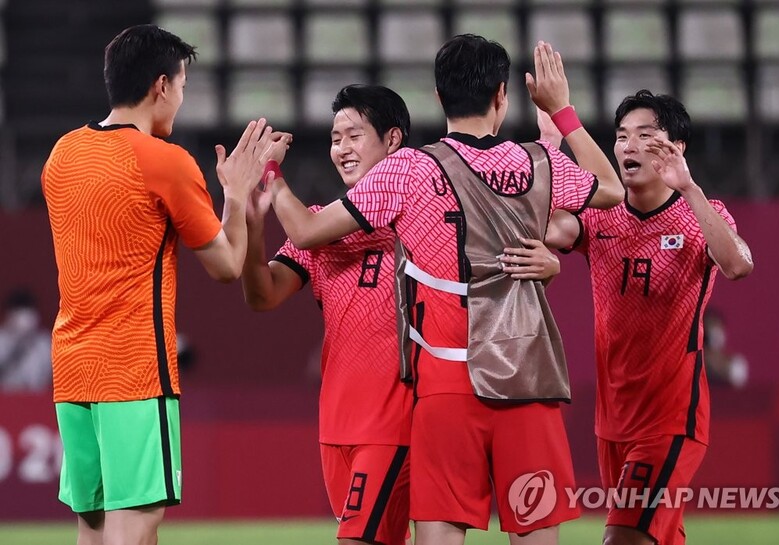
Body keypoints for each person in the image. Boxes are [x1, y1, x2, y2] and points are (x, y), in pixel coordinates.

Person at [266, 36, 624, 545]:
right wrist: (562, 111)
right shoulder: (533, 164)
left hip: (444, 387)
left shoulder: (406, 169)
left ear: (438, 97)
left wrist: (272, 177)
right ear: (502, 95)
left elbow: (303, 232)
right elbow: (609, 190)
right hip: (524, 376)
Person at [41, 24, 287, 545]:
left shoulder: (61, 154)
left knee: (95, 526)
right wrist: (237, 195)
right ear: (160, 86)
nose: (180, 100)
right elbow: (225, 266)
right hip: (133, 371)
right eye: (181, 88)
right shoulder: (163, 161)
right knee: (135, 527)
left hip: (71, 369)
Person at [544, 89, 754, 545]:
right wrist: (547, 149)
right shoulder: (601, 219)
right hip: (613, 422)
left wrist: (689, 187)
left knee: (621, 538)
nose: (628, 146)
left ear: (675, 148)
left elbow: (738, 265)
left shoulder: (702, 215)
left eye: (645, 135)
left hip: (671, 419)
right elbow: (544, 227)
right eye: (621, 136)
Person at [0, 288, 52, 392]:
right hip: (6, 397)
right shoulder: (2, 338)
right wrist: (16, 345)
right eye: (19, 313)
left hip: (37, 398)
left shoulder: (45, 341)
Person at [702, 308, 748, 388]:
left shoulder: (736, 363)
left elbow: (738, 386)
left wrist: (718, 364)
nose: (713, 334)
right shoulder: (695, 363)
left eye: (716, 326)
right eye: (709, 328)